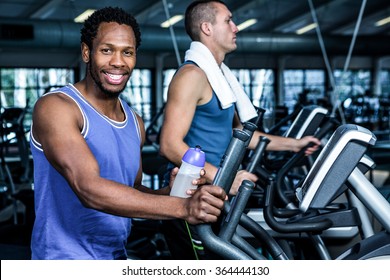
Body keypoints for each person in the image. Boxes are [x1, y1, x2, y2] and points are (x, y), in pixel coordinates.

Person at [29, 6, 226, 260]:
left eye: (127, 52)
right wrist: (183, 207)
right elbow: (89, 188)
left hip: (115, 257)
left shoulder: (134, 122)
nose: (118, 62)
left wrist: (171, 192)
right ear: (87, 52)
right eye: (107, 50)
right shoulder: (57, 107)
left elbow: (132, 192)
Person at [159, 0, 321, 259]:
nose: (235, 28)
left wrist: (296, 144)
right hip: (189, 194)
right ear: (207, 28)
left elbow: (243, 135)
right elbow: (169, 144)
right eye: (228, 21)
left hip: (213, 191)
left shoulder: (219, 79)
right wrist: (224, 178)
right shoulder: (192, 76)